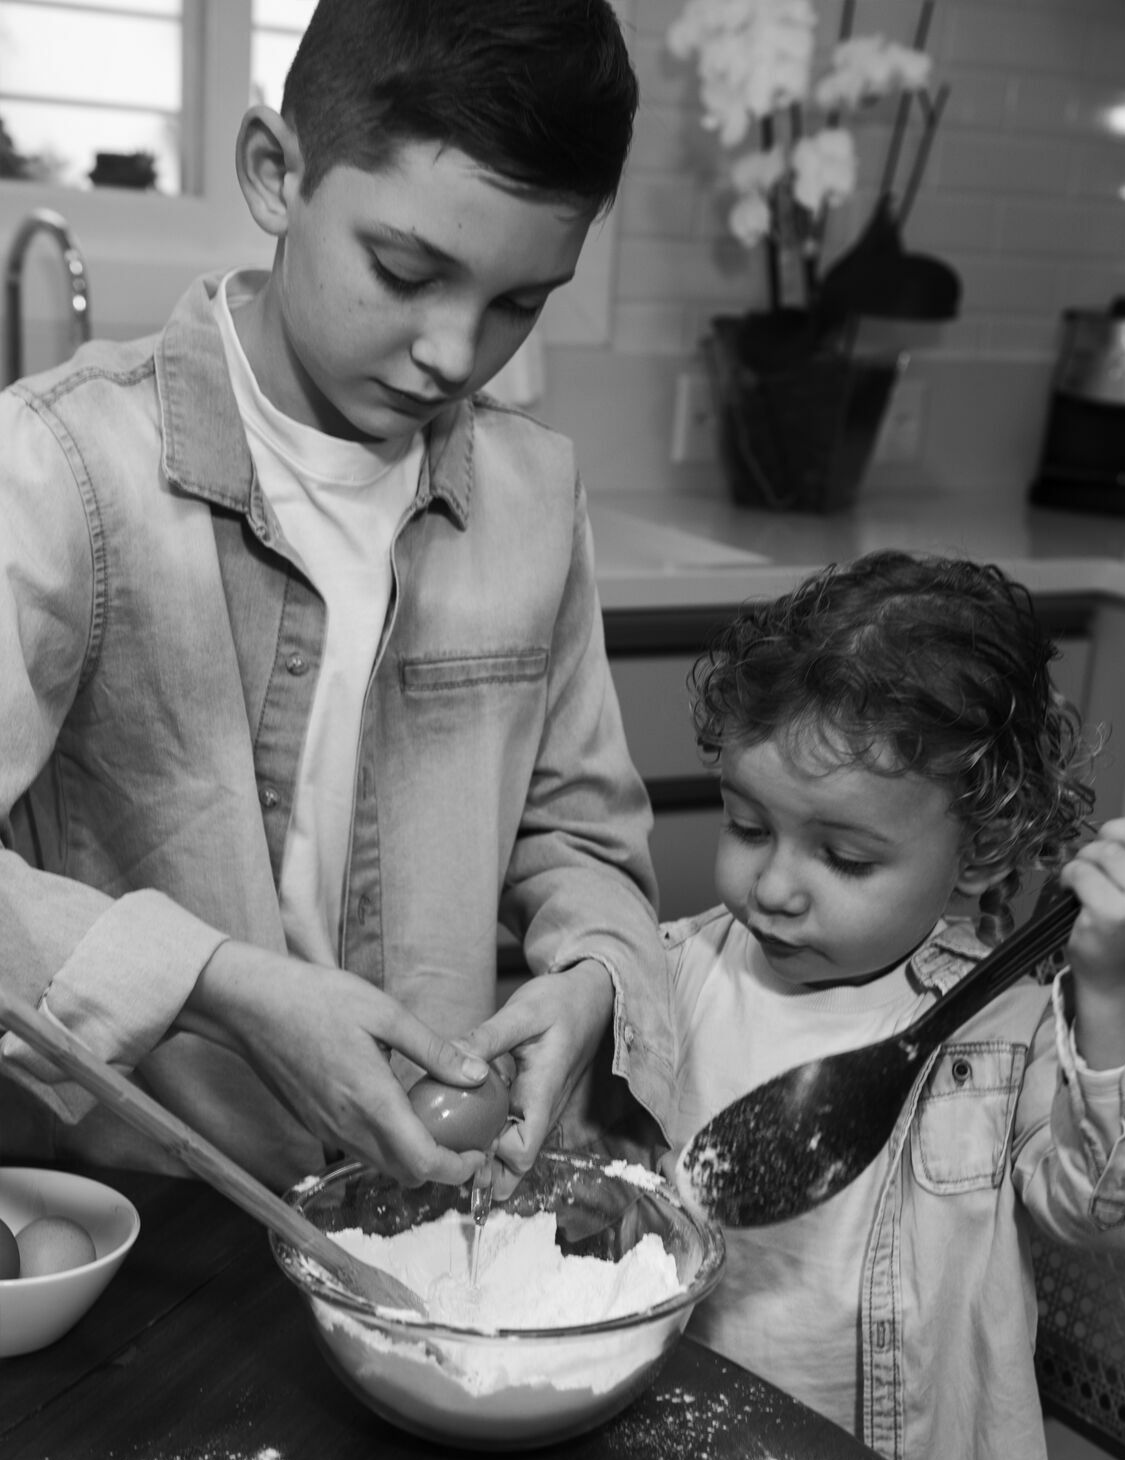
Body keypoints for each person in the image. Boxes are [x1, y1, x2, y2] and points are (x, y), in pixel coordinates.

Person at [0, 0, 671, 1197]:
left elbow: (582, 841)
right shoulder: (59, 471)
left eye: (523, 302)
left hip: (425, 1213)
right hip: (152, 1229)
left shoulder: (533, 494)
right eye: (407, 272)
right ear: (275, 173)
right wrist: (217, 982)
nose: (457, 354)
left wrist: (594, 980)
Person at [646, 551, 1125, 1460]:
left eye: (846, 858)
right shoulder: (670, 977)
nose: (774, 884)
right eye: (746, 826)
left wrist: (1112, 997)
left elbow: (1106, 1212)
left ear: (979, 853)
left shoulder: (1008, 1028)